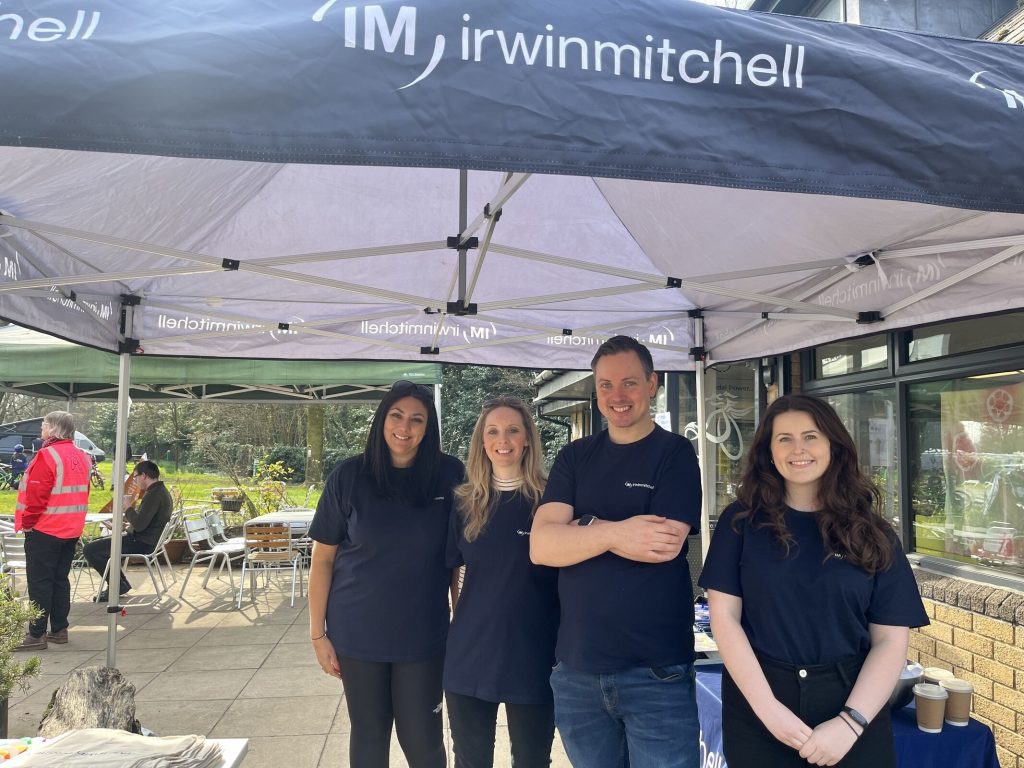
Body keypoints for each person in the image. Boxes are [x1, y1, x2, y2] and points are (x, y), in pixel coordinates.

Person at [698, 395, 928, 768]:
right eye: (784, 438)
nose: (798, 449)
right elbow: (724, 618)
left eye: (811, 436)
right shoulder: (740, 523)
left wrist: (851, 723)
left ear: (833, 447)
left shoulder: (873, 532)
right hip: (759, 703)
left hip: (852, 703)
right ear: (768, 451)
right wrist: (768, 709)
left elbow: (889, 639)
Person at [530, 335, 702, 768]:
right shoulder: (575, 456)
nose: (616, 396)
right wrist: (615, 533)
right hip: (576, 671)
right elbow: (541, 545)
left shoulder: (676, 454)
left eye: (628, 383)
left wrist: (581, 526)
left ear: (652, 384)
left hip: (656, 672)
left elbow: (663, 544)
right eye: (605, 385)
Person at [308, 380, 464, 768]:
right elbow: (323, 558)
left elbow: (458, 561)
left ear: (428, 428)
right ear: (381, 420)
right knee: (369, 737)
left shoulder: (449, 474)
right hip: (357, 636)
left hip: (423, 637)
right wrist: (317, 634)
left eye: (417, 419)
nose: (405, 427)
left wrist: (461, 624)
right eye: (396, 415)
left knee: (424, 744)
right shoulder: (348, 477)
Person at [445, 396, 559, 768]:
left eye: (512, 430)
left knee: (531, 760)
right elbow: (449, 572)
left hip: (535, 653)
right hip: (470, 653)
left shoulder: (553, 500)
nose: (503, 439)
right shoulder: (464, 503)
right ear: (481, 442)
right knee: (471, 761)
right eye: (492, 431)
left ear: (528, 438)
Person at [14, 411, 91, 651]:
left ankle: (36, 634)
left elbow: (37, 496)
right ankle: (59, 629)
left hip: (45, 529)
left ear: (54, 428)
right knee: (59, 579)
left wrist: (27, 522)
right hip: (70, 529)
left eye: (44, 425)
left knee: (39, 582)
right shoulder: (83, 457)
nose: (41, 429)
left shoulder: (47, 456)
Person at [83, 460, 173, 602]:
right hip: (146, 540)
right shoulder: (160, 491)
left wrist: (128, 507)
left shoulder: (154, 495)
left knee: (90, 550)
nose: (135, 480)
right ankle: (120, 584)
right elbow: (145, 522)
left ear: (144, 475)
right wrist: (124, 526)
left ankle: (118, 585)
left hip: (142, 543)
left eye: (136, 476)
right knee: (100, 547)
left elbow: (139, 525)